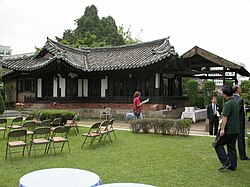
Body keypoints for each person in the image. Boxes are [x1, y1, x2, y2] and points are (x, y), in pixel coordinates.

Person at [214, 85, 240, 171]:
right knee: (231, 146)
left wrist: (222, 129)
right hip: (236, 129)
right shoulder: (235, 102)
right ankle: (233, 165)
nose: (222, 95)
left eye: (222, 93)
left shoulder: (227, 104)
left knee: (217, 144)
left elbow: (225, 117)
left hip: (229, 129)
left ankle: (225, 162)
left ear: (225, 94)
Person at [232, 85, 250, 161]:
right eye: (239, 88)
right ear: (237, 90)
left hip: (232, 123)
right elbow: (239, 111)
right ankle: (242, 156)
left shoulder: (231, 99)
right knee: (241, 139)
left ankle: (231, 155)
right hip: (239, 122)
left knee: (231, 140)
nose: (241, 89)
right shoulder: (240, 99)